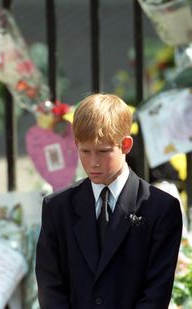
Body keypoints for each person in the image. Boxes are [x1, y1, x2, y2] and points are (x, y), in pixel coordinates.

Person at [35, 93, 182, 308]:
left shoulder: (159, 208)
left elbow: (157, 291)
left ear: (126, 145)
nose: (93, 162)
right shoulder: (57, 208)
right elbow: (50, 286)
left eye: (103, 152)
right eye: (85, 151)